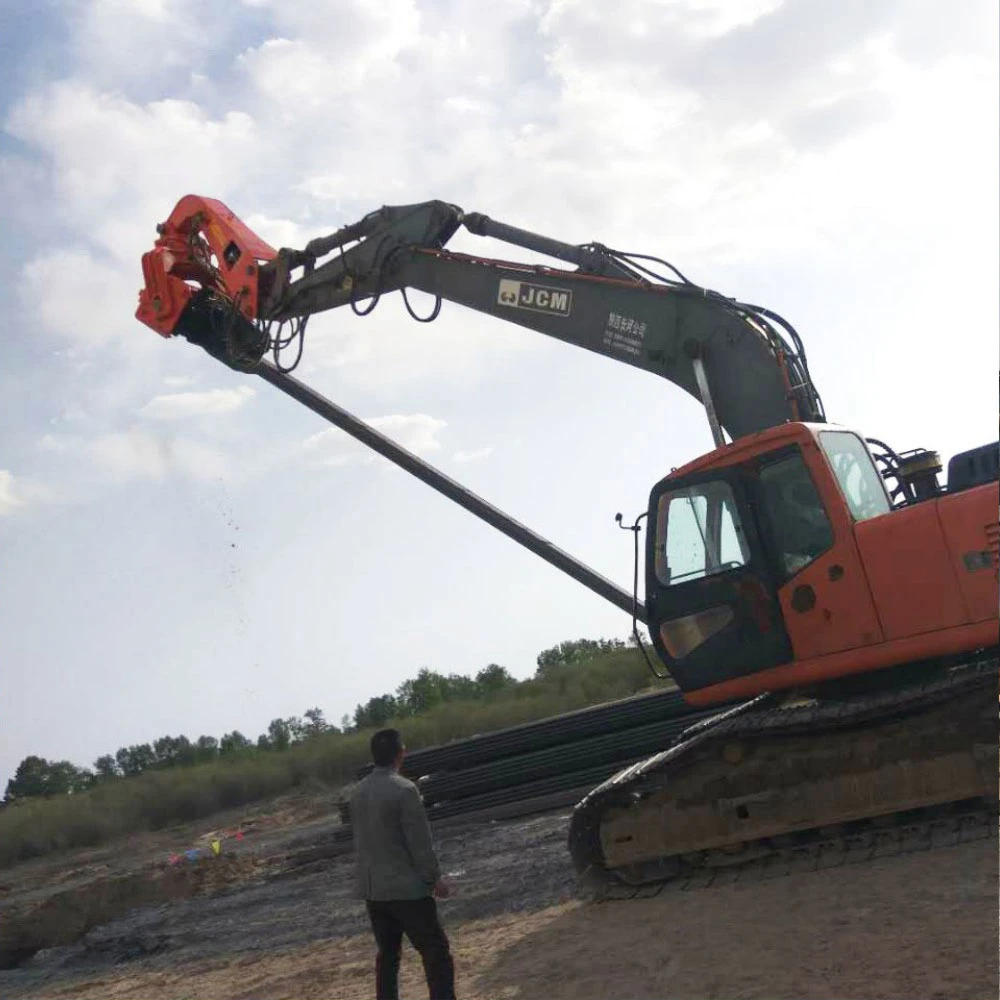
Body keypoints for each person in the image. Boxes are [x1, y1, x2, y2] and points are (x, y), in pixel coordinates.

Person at [350, 728, 456, 1000]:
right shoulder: (405, 790)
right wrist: (435, 879)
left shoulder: (358, 793)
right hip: (407, 890)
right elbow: (419, 842)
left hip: (374, 892)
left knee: (388, 957)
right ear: (401, 754)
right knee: (436, 952)